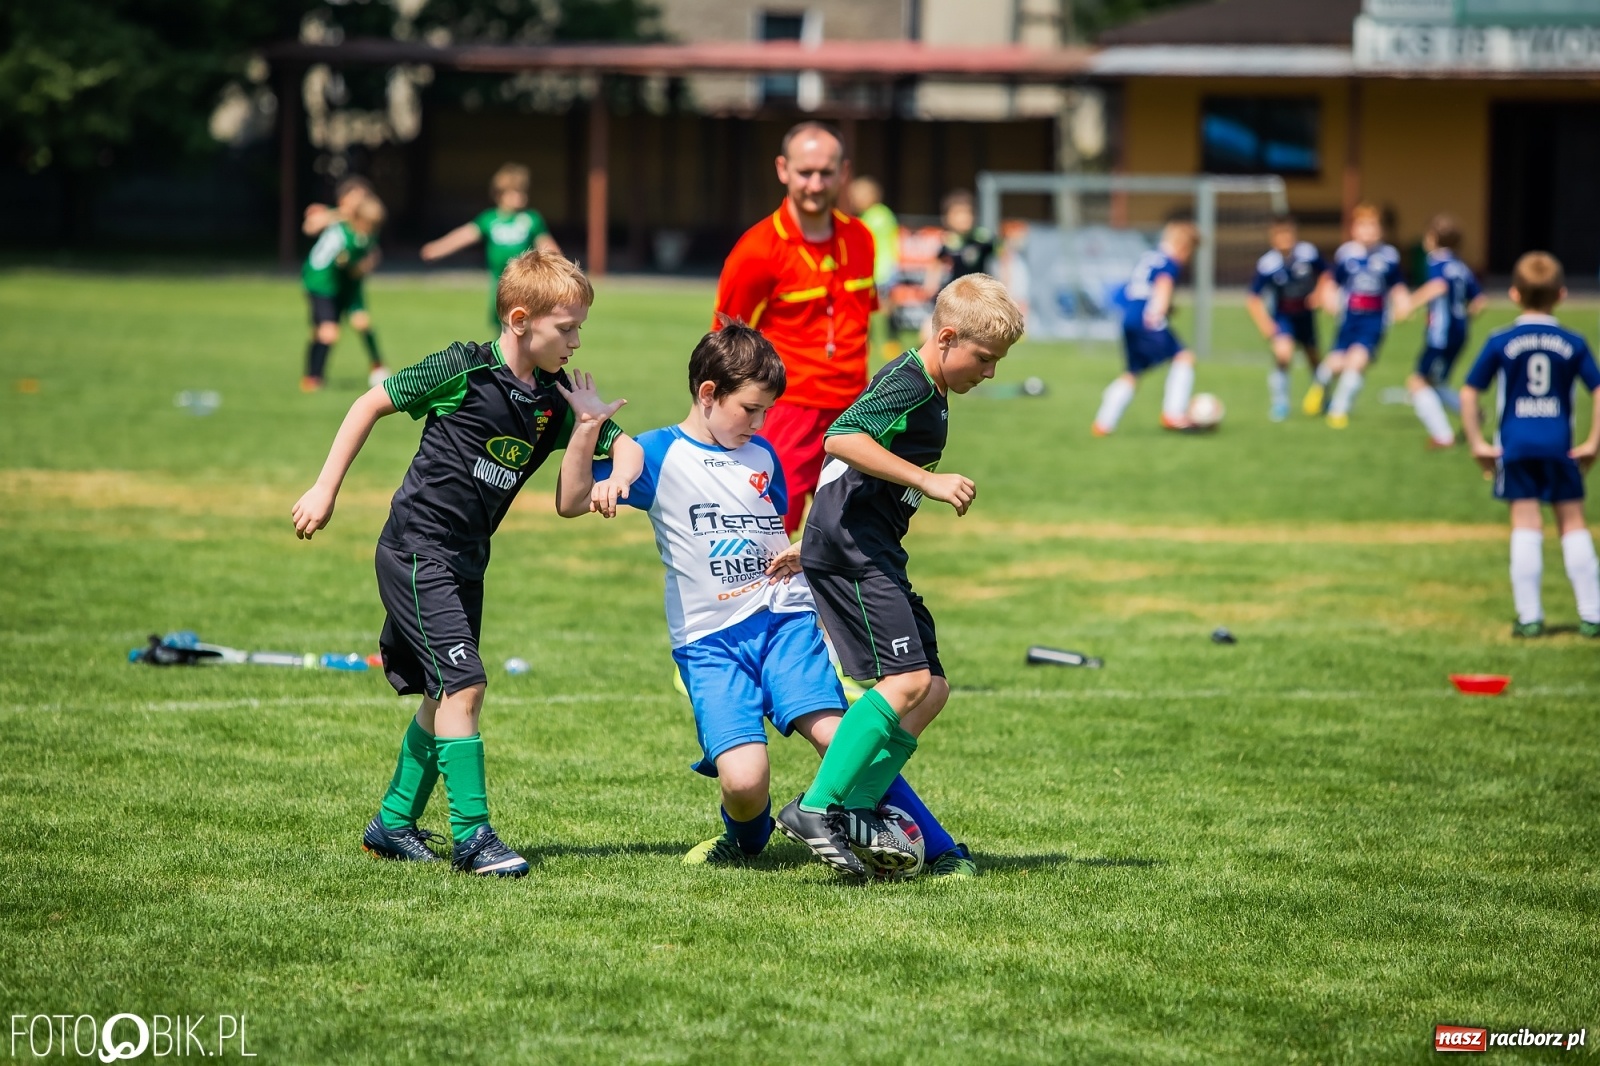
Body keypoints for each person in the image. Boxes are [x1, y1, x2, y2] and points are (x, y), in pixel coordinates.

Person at [290, 250, 643, 876]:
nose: (576, 340)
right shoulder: (464, 368)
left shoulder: (557, 403)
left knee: (441, 694)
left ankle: (392, 824)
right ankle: (473, 837)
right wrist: (325, 489)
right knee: (465, 686)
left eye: (580, 327)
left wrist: (597, 446)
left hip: (466, 562)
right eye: (566, 328)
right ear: (519, 319)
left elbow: (582, 490)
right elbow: (369, 404)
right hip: (416, 549)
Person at [582, 321, 971, 875]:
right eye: (751, 409)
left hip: (785, 625)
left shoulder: (762, 455)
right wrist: (591, 442)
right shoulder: (656, 453)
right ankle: (745, 840)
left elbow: (773, 527)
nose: (762, 423)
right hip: (710, 642)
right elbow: (572, 499)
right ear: (708, 394)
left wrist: (799, 551)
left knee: (845, 743)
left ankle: (935, 848)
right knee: (743, 783)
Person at [774, 274, 1025, 876]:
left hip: (869, 547)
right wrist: (927, 480)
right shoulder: (909, 380)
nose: (989, 373)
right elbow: (841, 437)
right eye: (984, 359)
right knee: (907, 681)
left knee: (932, 688)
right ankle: (818, 807)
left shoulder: (932, 389)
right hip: (855, 550)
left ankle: (857, 805)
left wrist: (805, 541)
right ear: (946, 337)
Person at [714, 121, 878, 537]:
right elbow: (725, 340)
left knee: (851, 533)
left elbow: (863, 322)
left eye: (827, 172)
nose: (816, 183)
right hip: (788, 410)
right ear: (783, 169)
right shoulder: (757, 249)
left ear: (844, 173)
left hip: (855, 412)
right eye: (806, 172)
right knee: (771, 528)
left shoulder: (861, 238)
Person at [1460, 251, 1600, 639]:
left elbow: (1470, 391)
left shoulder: (1501, 339)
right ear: (1562, 294)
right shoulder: (1573, 341)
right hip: (1561, 445)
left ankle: (1530, 616)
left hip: (1516, 445)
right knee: (1572, 524)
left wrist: (1476, 442)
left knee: (1525, 523)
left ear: (1515, 294)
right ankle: (1592, 614)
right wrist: (1594, 441)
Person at [1303, 203, 1411, 428]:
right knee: (1335, 363)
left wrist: (1403, 303)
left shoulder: (1389, 256)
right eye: (1363, 226)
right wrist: (1328, 298)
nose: (1368, 231)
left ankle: (1339, 409)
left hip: (1375, 319)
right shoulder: (1347, 254)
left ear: (1381, 230)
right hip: (1349, 317)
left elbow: (1397, 285)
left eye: (1373, 226)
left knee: (1358, 361)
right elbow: (1333, 280)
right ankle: (1319, 387)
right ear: (1354, 229)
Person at [421, 163, 561, 330]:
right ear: (500, 194)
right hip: (500, 283)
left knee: (526, 325)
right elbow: (464, 235)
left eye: (523, 192)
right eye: (516, 192)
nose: (521, 197)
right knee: (503, 329)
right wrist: (438, 248)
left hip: (525, 283)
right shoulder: (490, 219)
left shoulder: (531, 219)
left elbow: (548, 245)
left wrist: (560, 267)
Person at [1091, 220, 1200, 435]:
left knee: (1132, 373)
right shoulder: (1170, 262)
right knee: (1184, 357)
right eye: (1190, 253)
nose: (1187, 259)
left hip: (1129, 319)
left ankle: (1102, 424)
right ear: (1183, 246)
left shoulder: (1149, 256)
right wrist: (1162, 310)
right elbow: (1163, 285)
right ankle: (1174, 414)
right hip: (1148, 320)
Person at [1400, 214, 1486, 448]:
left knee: (1417, 383)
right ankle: (1473, 414)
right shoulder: (1461, 266)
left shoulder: (1436, 261)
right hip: (1459, 333)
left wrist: (1410, 303)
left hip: (1441, 335)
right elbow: (1479, 303)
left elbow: (1438, 286)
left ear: (1432, 238)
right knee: (1436, 382)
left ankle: (1443, 436)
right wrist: (1463, 318)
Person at [301, 182, 387, 392]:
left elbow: (371, 255)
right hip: (322, 285)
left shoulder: (365, 229)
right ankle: (313, 378)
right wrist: (338, 214)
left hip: (348, 287)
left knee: (361, 323)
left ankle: (378, 367)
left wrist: (367, 264)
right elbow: (310, 224)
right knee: (327, 332)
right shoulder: (340, 225)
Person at [1245, 215, 1326, 422]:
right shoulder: (1268, 264)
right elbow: (1253, 298)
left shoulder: (1308, 253)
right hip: (1283, 316)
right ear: (1272, 238)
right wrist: (1265, 323)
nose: (1284, 239)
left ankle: (1323, 396)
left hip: (1306, 316)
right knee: (1283, 356)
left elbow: (1327, 274)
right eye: (1279, 235)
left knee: (1314, 358)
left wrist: (1319, 293)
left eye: (1287, 234)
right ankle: (1280, 403)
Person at [847, 175, 902, 361]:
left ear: (874, 195)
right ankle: (871, 342)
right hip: (876, 271)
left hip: (882, 270)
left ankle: (889, 344)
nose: (856, 198)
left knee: (883, 309)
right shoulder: (870, 216)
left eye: (860, 194)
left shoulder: (878, 215)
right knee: (870, 309)